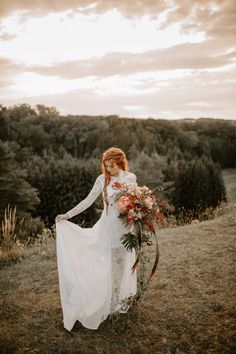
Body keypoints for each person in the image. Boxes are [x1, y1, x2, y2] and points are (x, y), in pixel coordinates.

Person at [55, 147, 137, 331]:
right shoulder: (102, 179)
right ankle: (99, 299)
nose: (109, 170)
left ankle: (117, 299)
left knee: (121, 264)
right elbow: (88, 200)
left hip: (124, 228)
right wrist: (68, 215)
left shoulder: (130, 178)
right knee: (103, 264)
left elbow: (134, 201)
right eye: (107, 167)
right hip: (107, 227)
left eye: (112, 167)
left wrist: (137, 214)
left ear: (120, 162)